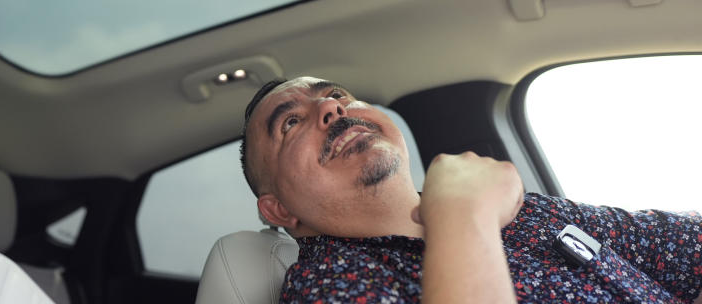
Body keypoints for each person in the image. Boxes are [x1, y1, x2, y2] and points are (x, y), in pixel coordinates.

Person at [240, 76, 702, 304]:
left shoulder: (525, 214)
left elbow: (689, 248)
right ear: (278, 210)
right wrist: (464, 216)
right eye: (291, 122)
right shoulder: (328, 289)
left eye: (338, 95)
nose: (331, 107)